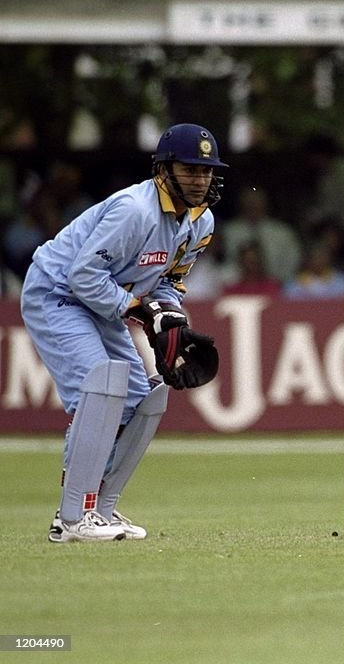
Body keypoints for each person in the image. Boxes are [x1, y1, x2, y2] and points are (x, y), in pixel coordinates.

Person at [20, 123, 226, 543]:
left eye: (206, 171)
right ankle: (73, 517)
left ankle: (102, 510)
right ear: (164, 170)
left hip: (103, 301)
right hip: (57, 293)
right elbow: (82, 276)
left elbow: (167, 283)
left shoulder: (201, 223)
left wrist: (170, 319)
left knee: (146, 396)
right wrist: (138, 309)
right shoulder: (135, 210)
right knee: (102, 384)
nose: (200, 179)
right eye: (189, 169)